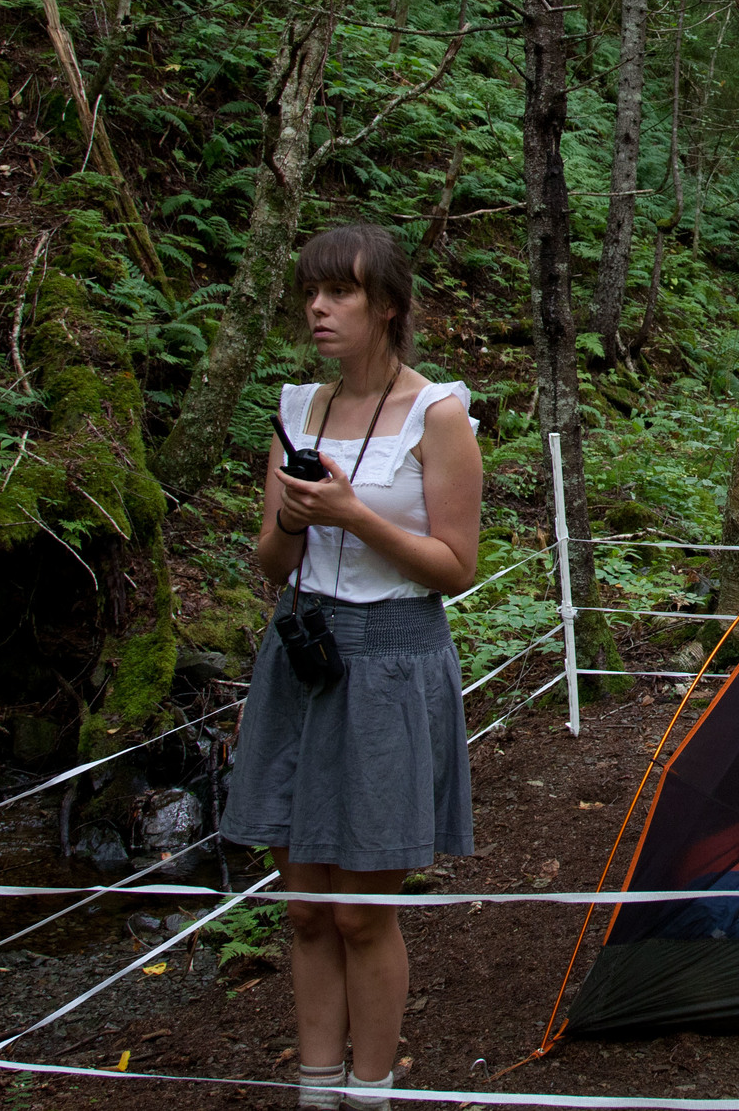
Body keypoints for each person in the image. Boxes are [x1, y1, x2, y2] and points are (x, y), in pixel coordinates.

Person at [220, 225, 483, 1109]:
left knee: (362, 912)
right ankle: (315, 1088)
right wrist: (297, 518)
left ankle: (371, 1093)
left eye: (340, 293)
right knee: (301, 911)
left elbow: (456, 566)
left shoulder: (436, 413)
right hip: (303, 655)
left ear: (389, 307)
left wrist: (352, 512)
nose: (318, 308)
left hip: (393, 662)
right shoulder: (298, 407)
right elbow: (271, 561)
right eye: (312, 292)